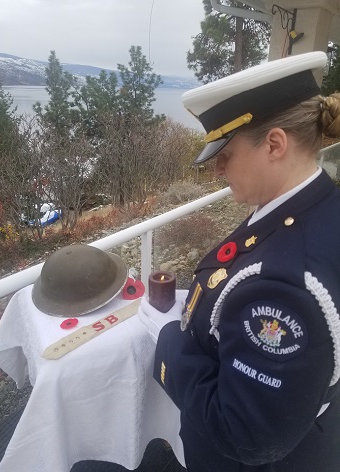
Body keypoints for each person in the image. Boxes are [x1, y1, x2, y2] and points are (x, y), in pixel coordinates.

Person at [138, 51, 340, 472]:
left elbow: (242, 434)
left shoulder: (285, 286)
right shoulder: (317, 205)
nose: (218, 170)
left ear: (274, 144)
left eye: (226, 153)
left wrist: (169, 335)